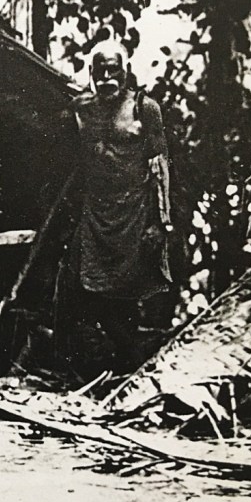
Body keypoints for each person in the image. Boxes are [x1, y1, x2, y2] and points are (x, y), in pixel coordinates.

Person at [69, 39, 174, 373]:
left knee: (128, 291)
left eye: (113, 70)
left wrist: (160, 221)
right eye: (100, 71)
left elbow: (160, 165)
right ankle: (110, 362)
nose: (106, 78)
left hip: (134, 213)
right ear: (91, 72)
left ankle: (130, 363)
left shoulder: (145, 108)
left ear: (125, 71)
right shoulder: (80, 109)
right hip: (95, 214)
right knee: (88, 288)